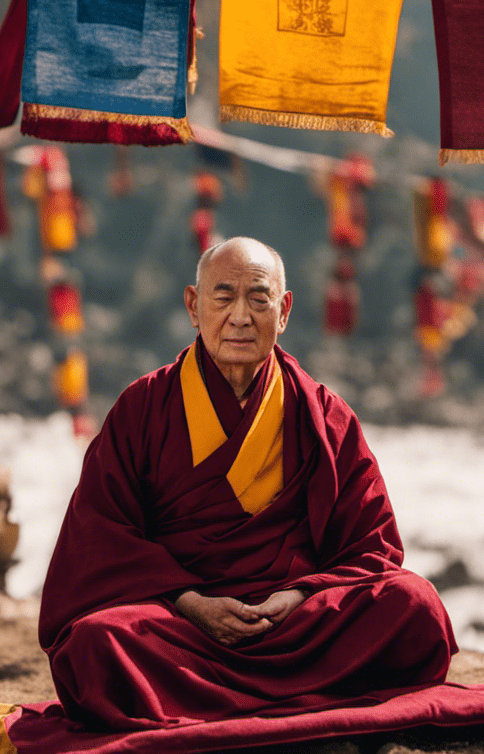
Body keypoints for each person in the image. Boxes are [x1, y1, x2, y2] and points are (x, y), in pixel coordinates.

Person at [38, 236, 456, 730]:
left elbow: (373, 545)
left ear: (284, 311)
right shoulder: (144, 407)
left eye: (259, 299)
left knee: (415, 606)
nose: (241, 316)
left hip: (295, 624)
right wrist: (192, 604)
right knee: (96, 644)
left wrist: (298, 597)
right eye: (223, 297)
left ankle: (196, 702)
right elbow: (99, 539)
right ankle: (308, 695)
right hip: (182, 626)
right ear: (194, 307)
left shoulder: (322, 413)